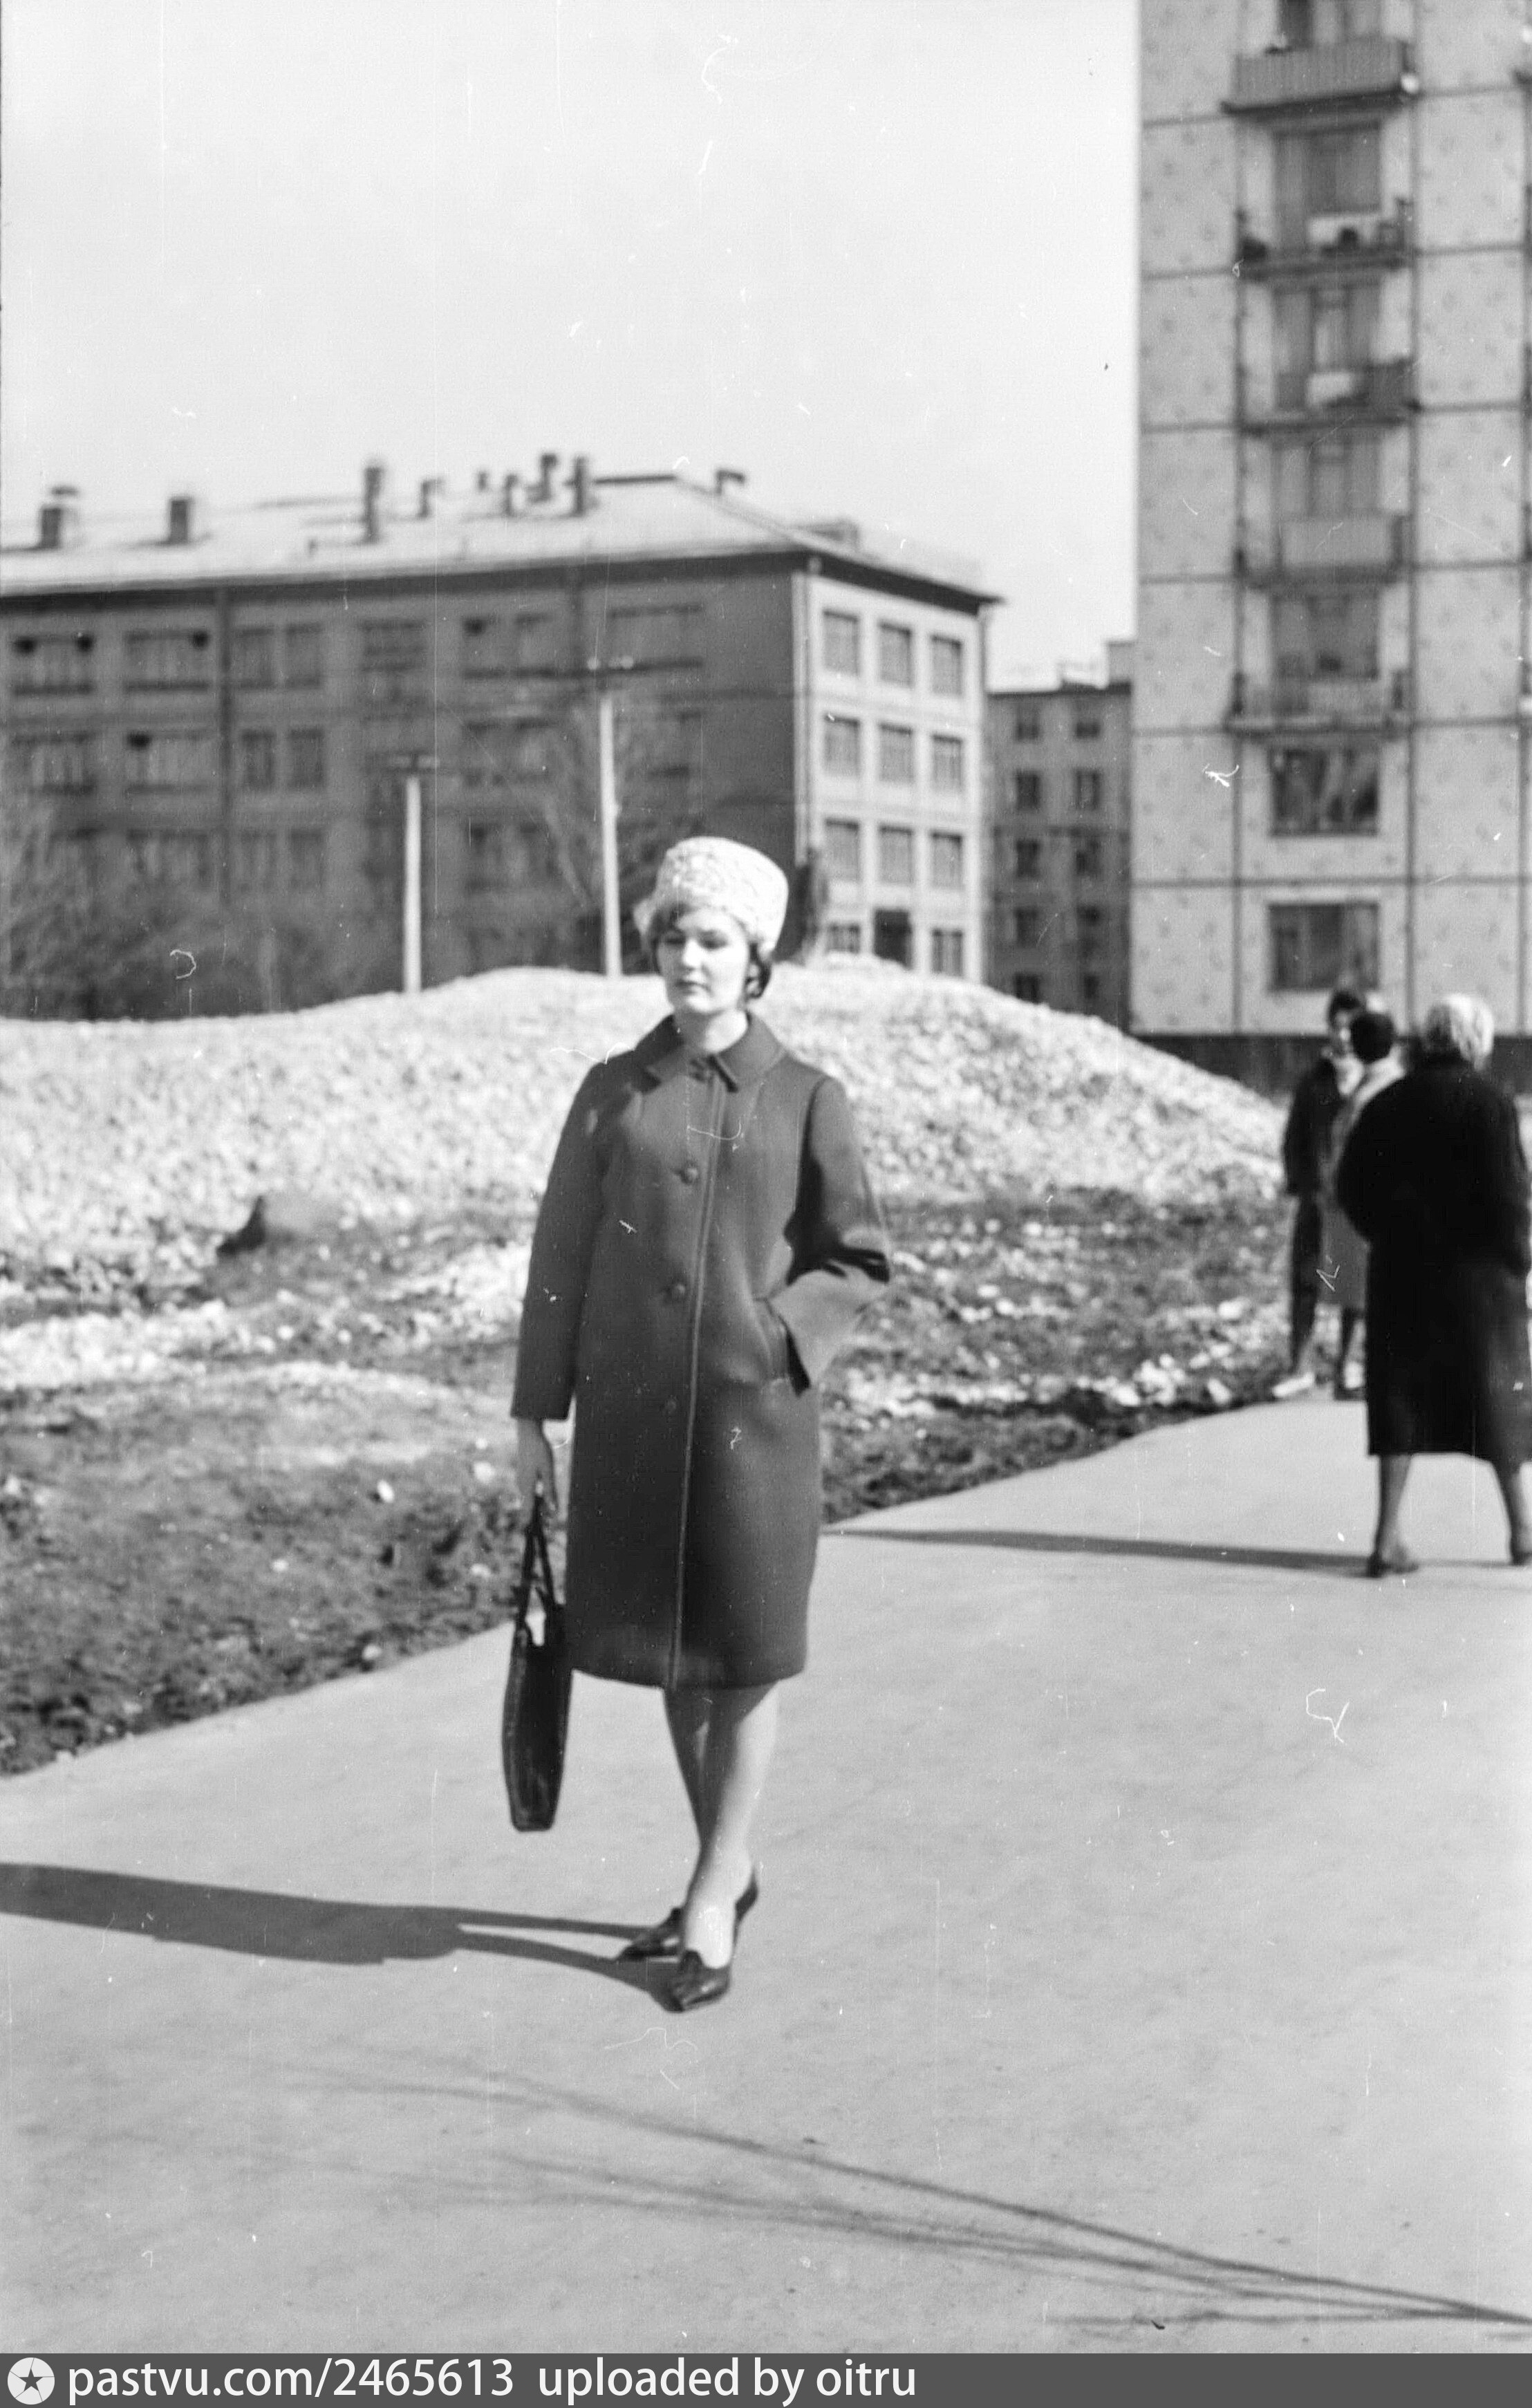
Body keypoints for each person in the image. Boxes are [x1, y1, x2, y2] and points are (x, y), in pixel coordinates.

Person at [512, 836, 890, 2009]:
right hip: (630, 1423)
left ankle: (716, 1887)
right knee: (676, 1652)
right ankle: (723, 1867)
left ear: (755, 956)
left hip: (751, 1431)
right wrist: (534, 1413)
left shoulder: (808, 1097)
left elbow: (857, 1258)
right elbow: (560, 1257)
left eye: (712, 939)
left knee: (745, 1654)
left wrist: (773, 1339)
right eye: (672, 935)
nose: (688, 957)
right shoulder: (610, 1091)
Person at [1335, 993, 1532, 1576]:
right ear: (1475, 1041)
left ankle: (1386, 1536)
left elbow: (1351, 1186)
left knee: (1399, 1402)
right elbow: (1510, 1194)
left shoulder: (1389, 1102)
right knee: (1496, 1401)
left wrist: (1387, 1234)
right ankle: (1522, 1529)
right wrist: (1519, 1259)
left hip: (1404, 1274)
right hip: (1480, 1282)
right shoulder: (1489, 1101)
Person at [1274, 984, 1363, 1397]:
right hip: (1317, 1197)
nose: (1342, 1036)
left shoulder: (1369, 1080)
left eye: (1351, 1027)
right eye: (1336, 1027)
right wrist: (1301, 1181)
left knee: (1352, 1285)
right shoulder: (1315, 1080)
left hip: (1355, 1203)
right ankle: (1300, 1364)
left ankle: (1347, 1363)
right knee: (1306, 1279)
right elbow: (1295, 1136)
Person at [1320, 1006, 1401, 1398]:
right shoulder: (1380, 1085)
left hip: (1357, 1203)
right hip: (1368, 1204)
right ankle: (1352, 1368)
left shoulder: (1372, 1090)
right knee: (1362, 1290)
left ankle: (1350, 1367)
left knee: (1359, 1290)